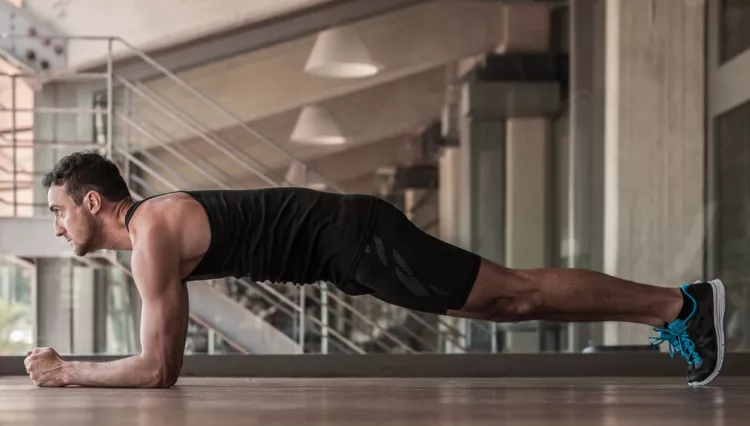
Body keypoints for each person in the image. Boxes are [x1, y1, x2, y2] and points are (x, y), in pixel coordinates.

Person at [24, 152, 726, 388]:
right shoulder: (153, 228)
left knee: (512, 294)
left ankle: (680, 305)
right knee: (508, 301)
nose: (57, 226)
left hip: (357, 242)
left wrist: (68, 372)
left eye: (59, 211)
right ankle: (670, 312)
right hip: (351, 248)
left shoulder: (151, 235)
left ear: (93, 201)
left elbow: (158, 370)